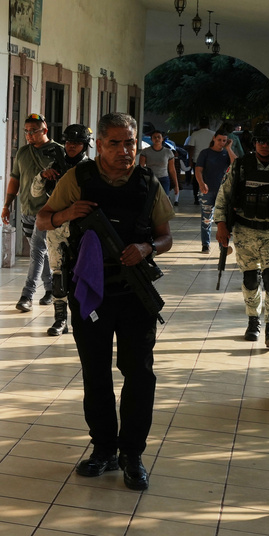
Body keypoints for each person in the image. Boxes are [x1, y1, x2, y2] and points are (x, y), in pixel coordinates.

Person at [36, 112, 175, 491]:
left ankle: (132, 454)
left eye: (129, 143)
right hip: (90, 294)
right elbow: (43, 219)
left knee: (139, 374)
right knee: (96, 375)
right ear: (100, 144)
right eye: (114, 143)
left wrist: (148, 247)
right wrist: (67, 212)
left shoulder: (148, 183)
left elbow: (166, 237)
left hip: (135, 295)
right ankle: (103, 449)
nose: (123, 150)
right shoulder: (78, 178)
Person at [215, 121, 269, 348]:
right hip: (245, 230)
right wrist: (221, 224)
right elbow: (223, 196)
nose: (263, 145)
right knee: (251, 279)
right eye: (260, 140)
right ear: (254, 142)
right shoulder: (241, 166)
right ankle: (253, 321)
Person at [29, 123, 92, 336]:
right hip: (56, 226)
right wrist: (42, 176)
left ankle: (82, 317)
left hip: (83, 229)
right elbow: (35, 192)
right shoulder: (54, 165)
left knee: (82, 272)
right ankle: (60, 319)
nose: (72, 147)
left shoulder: (91, 169)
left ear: (85, 145)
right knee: (58, 274)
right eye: (68, 142)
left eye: (77, 143)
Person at [2, 113, 64, 312]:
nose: (29, 135)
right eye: (26, 132)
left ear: (44, 130)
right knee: (41, 253)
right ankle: (49, 289)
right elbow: (15, 179)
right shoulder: (22, 153)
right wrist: (7, 204)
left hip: (47, 212)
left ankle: (27, 295)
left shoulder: (58, 152)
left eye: (33, 131)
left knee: (37, 252)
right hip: (26, 209)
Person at [195, 130, 237, 254]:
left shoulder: (226, 154)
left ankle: (222, 246)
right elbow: (198, 170)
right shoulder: (205, 153)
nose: (221, 143)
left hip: (223, 192)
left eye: (224, 140)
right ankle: (205, 245)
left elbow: (235, 164)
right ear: (214, 138)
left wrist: (228, 148)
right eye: (219, 140)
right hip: (207, 191)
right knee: (206, 219)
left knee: (222, 221)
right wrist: (202, 184)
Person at [139, 131, 180, 207]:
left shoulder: (168, 152)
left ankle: (163, 217)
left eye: (159, 137)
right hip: (151, 179)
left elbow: (172, 170)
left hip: (164, 179)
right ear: (151, 139)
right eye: (154, 137)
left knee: (163, 201)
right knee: (151, 200)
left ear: (162, 139)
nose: (157, 139)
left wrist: (176, 185)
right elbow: (141, 168)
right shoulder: (145, 151)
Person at [184, 117, 215, 205]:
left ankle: (196, 199)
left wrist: (190, 160)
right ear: (209, 125)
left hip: (197, 160)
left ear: (199, 125)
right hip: (210, 160)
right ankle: (209, 196)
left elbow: (191, 148)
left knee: (197, 179)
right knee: (209, 178)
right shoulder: (213, 134)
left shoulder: (195, 134)